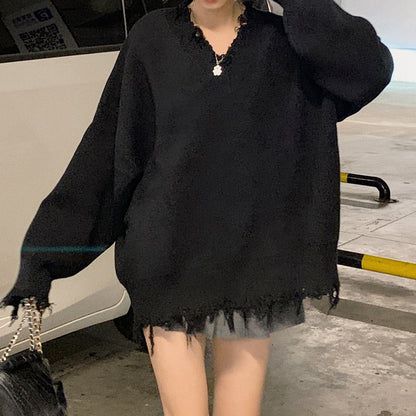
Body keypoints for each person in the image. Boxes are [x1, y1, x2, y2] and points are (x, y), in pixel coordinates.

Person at [1, 0, 393, 415]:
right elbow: (107, 154)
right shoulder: (151, 39)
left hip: (252, 263)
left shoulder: (284, 43)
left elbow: (369, 70)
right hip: (165, 259)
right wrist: (45, 257)